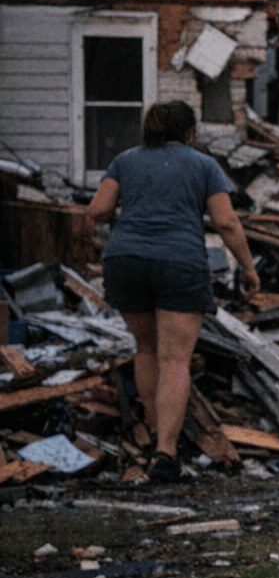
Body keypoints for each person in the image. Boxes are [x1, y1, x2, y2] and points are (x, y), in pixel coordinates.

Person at [87, 101, 259, 482]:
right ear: (190, 132)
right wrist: (247, 268)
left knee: (145, 349)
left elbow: (98, 210)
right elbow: (227, 223)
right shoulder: (203, 165)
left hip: (125, 260)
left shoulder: (125, 160)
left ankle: (149, 438)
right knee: (176, 359)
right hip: (179, 263)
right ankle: (166, 454)